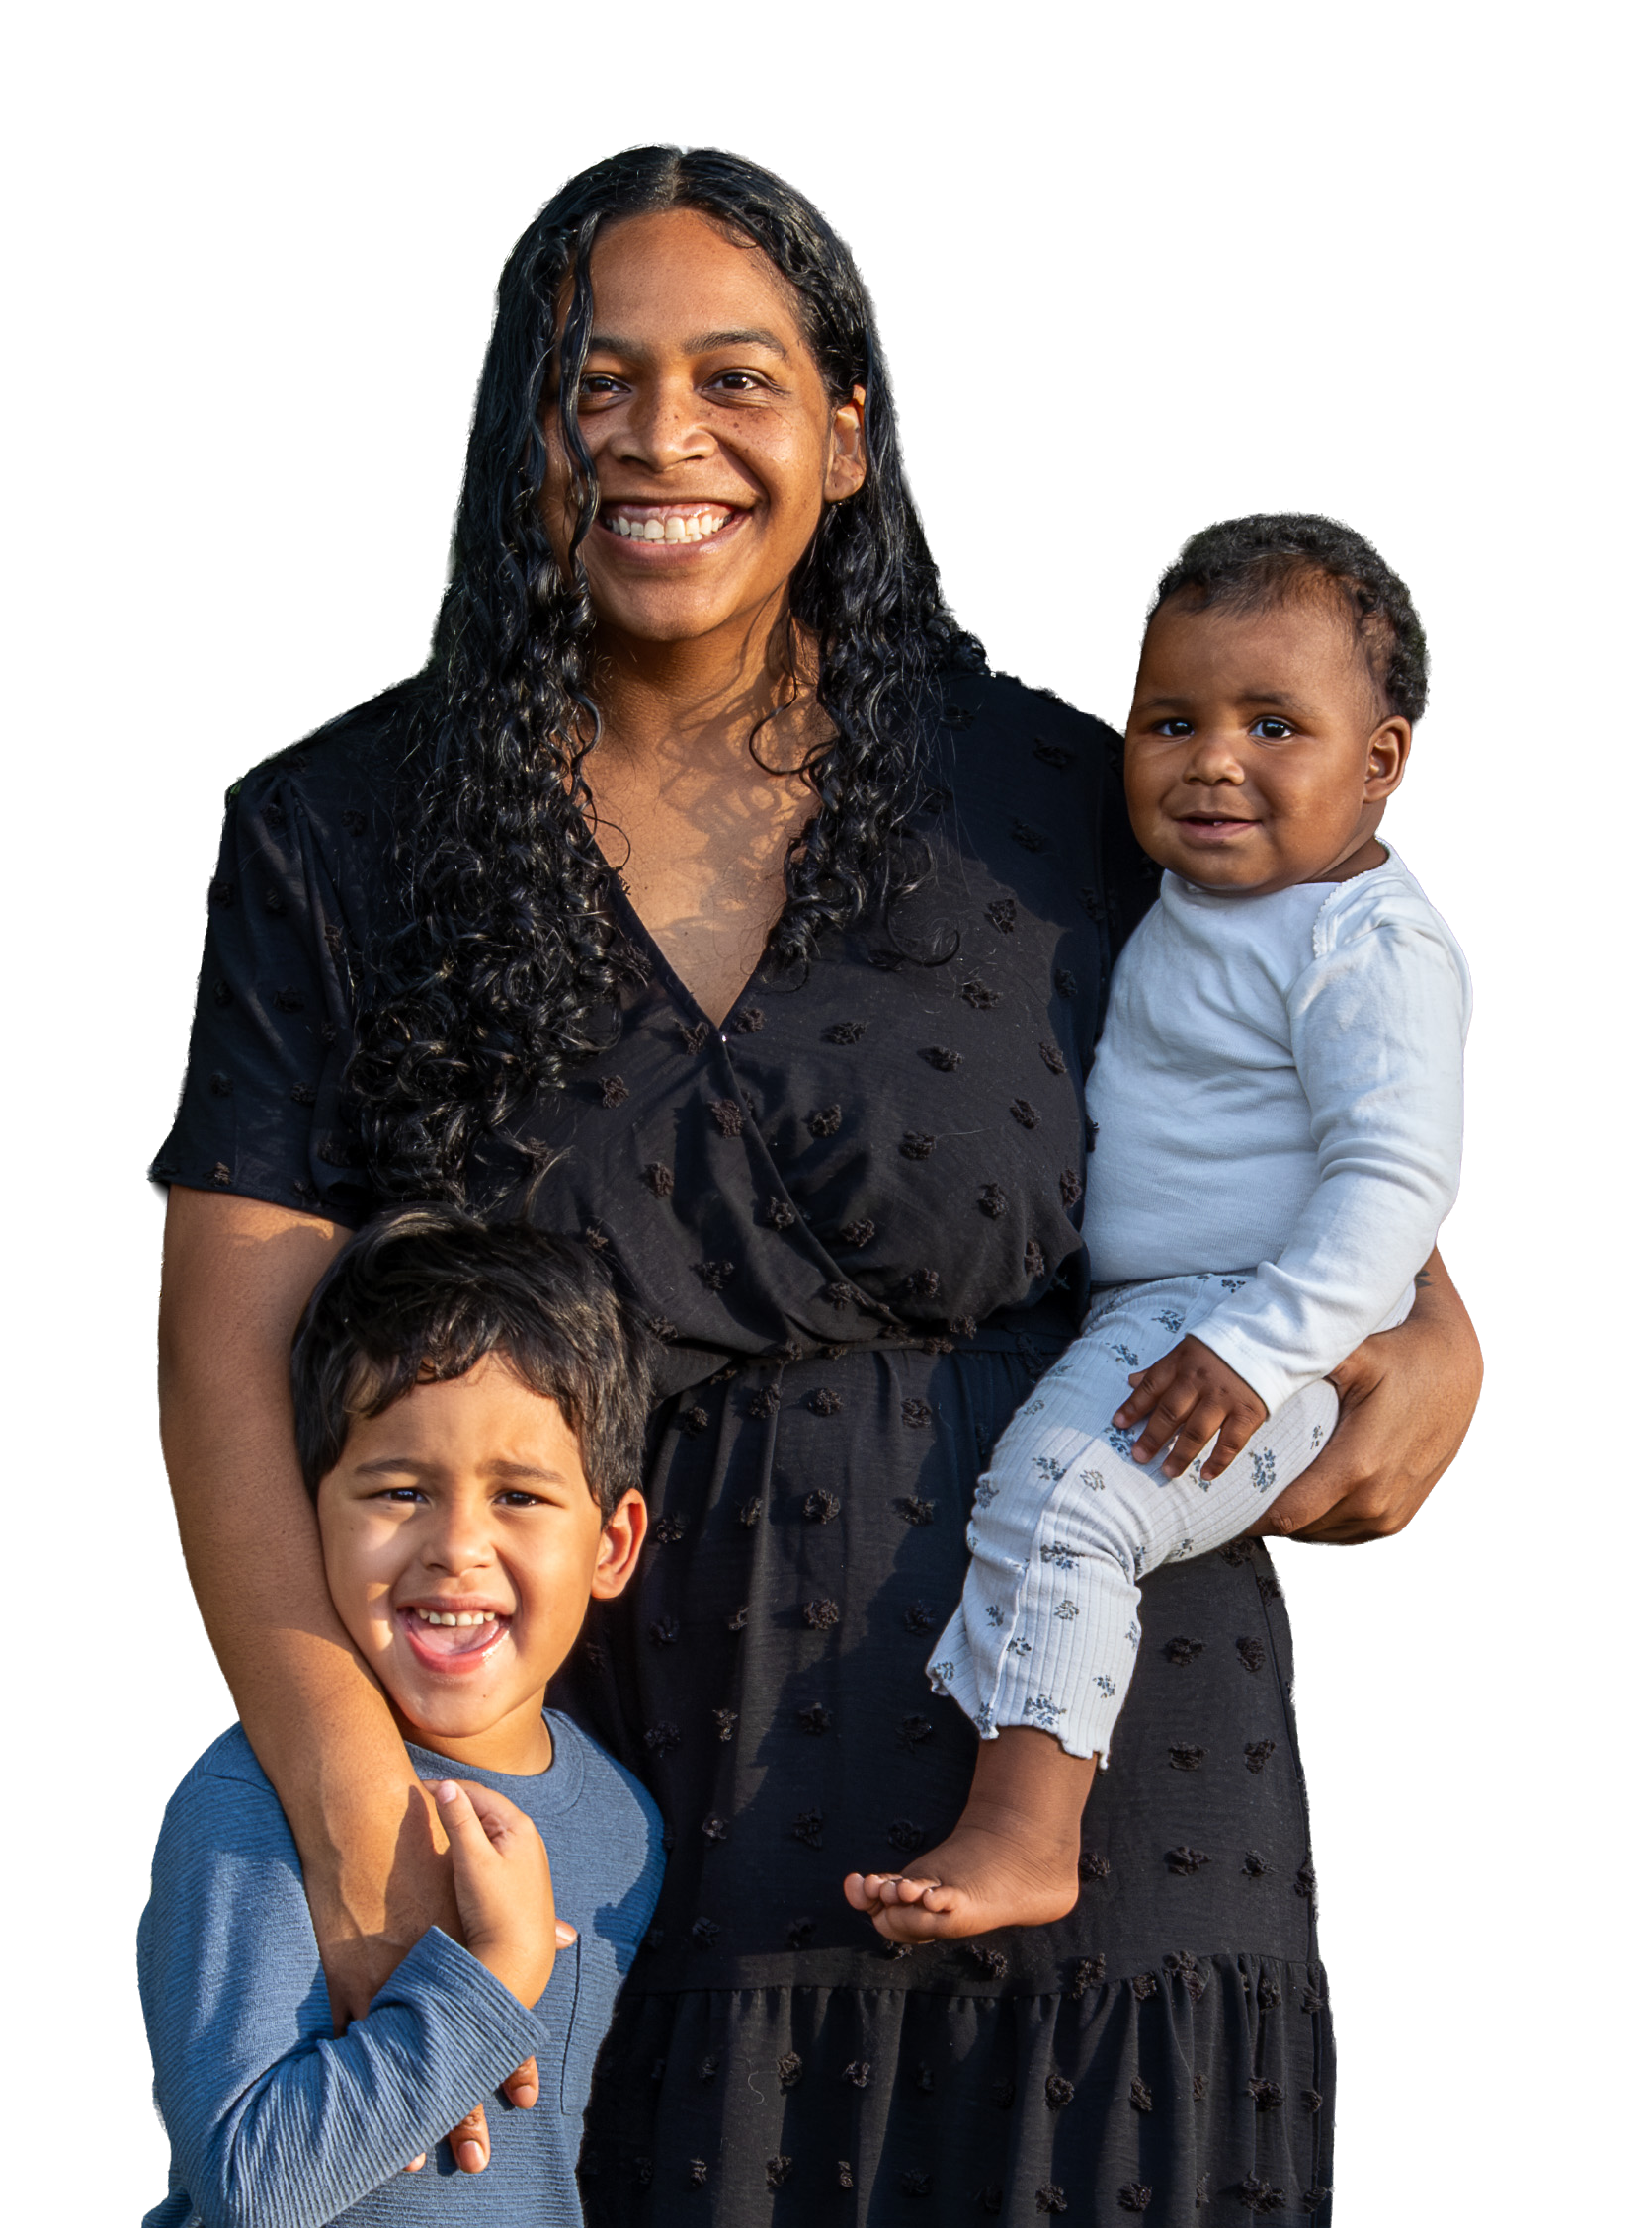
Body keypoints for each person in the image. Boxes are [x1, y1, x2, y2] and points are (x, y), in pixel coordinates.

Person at [152, 143, 1483, 2225]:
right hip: (606, 1815)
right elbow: (231, 1352)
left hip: (1107, 1811)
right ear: (522, 434)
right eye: (596, 385)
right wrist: (338, 1793)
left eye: (735, 379)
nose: (660, 438)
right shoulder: (335, 830)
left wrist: (1434, 1312)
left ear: (846, 433)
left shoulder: (1067, 789)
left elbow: (1349, 1006)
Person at [846, 515, 1472, 1945]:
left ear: (1382, 762)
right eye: (1170, 720)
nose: (1213, 760)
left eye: (1273, 724)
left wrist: (1253, 1346)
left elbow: (1393, 1183)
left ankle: (1027, 1830)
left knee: (1073, 1498)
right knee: (1051, 1498)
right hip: (1176, 1308)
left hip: (1257, 1323)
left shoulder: (1365, 946)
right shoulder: (1196, 893)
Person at [138, 1210, 665, 2224]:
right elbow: (250, 2186)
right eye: (400, 1488)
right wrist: (492, 1980)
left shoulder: (626, 1823)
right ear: (307, 1513)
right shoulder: (253, 1799)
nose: (457, 1544)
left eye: (518, 1493)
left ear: (613, 1541)